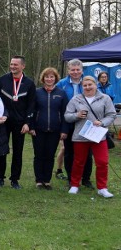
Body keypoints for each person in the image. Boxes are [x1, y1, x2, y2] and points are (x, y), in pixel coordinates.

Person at [64, 76, 115, 198]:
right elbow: (67, 116)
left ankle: (102, 188)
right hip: (81, 136)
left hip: (98, 136)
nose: (87, 87)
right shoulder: (76, 99)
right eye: (85, 85)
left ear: (95, 84)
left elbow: (111, 114)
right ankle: (75, 185)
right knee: (78, 162)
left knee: (102, 162)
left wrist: (102, 122)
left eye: (89, 85)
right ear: (82, 87)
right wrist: (77, 115)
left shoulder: (105, 98)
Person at [0, 55, 35, 189]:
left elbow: (31, 105)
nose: (12, 67)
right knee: (1, 149)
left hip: (20, 123)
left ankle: (15, 179)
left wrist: (27, 123)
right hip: (4, 121)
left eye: (15, 65)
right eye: (11, 64)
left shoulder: (29, 83)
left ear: (23, 66)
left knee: (18, 151)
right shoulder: (2, 80)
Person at [28, 68, 68, 190]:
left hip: (55, 130)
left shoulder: (61, 93)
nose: (49, 79)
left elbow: (65, 113)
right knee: (39, 155)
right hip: (38, 130)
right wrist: (31, 126)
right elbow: (31, 111)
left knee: (50, 155)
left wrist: (64, 130)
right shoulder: (37, 92)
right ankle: (39, 180)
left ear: (55, 78)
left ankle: (47, 180)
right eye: (47, 77)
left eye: (52, 77)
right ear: (43, 78)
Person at [56, 59, 93, 188]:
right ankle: (71, 179)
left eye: (78, 70)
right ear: (68, 70)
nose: (75, 72)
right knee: (69, 151)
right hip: (69, 121)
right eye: (73, 70)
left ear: (82, 70)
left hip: (86, 122)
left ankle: (86, 179)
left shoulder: (89, 82)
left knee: (87, 152)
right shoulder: (61, 84)